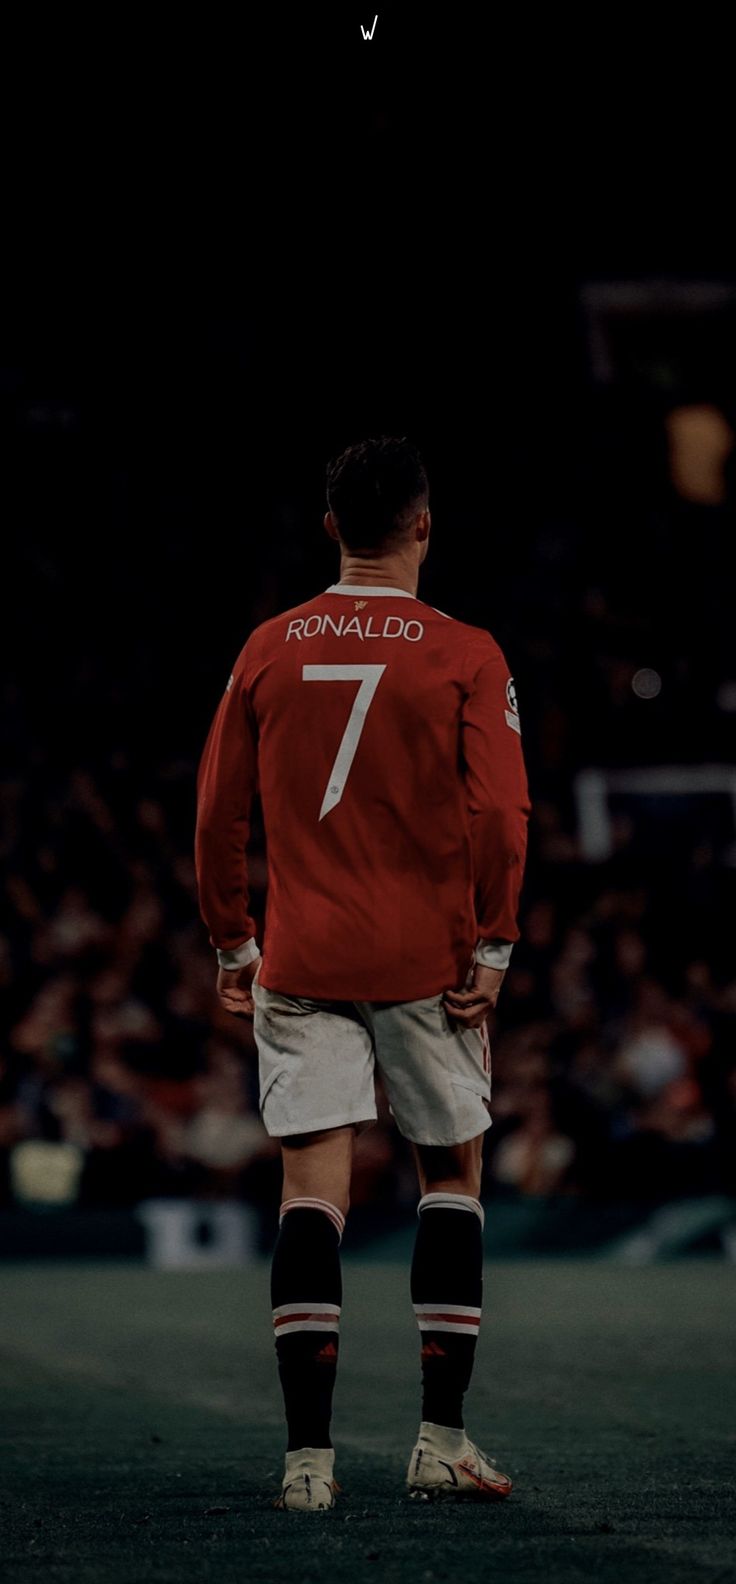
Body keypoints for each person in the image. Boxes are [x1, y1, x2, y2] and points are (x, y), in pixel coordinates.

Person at [195, 436, 531, 1510]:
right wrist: (495, 944)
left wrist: (233, 942)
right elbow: (502, 811)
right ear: (424, 525)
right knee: (450, 1180)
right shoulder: (467, 652)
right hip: (428, 963)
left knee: (311, 1193)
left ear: (331, 525)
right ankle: (439, 1444)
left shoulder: (267, 646)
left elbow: (215, 812)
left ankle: (307, 1465)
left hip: (303, 956)